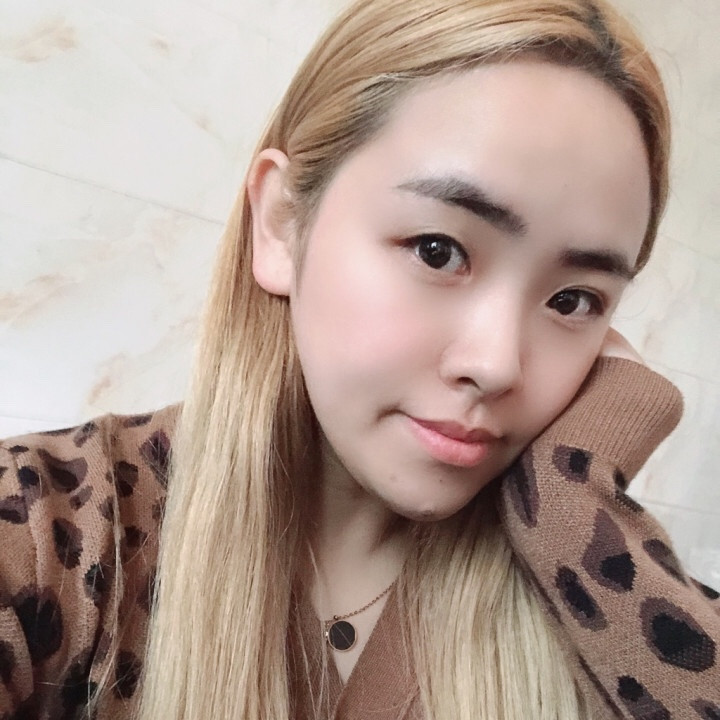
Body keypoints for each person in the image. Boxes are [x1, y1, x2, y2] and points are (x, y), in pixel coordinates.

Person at [1, 0, 718, 718]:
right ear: (282, 223)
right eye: (438, 251)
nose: (498, 364)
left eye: (573, 300)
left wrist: (573, 498)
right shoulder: (48, 528)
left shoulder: (591, 604)